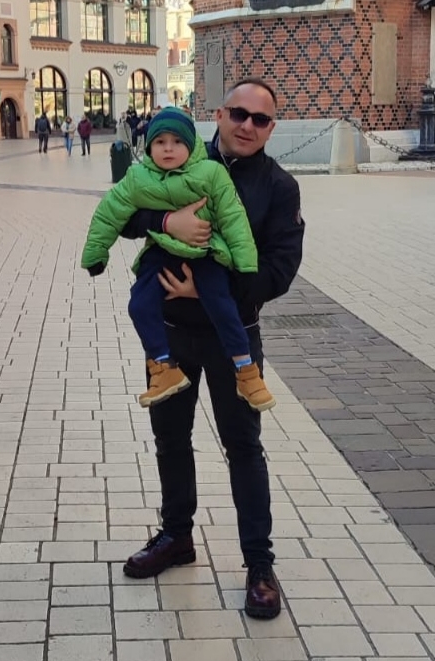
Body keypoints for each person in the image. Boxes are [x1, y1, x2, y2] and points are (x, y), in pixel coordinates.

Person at [117, 78, 305, 620]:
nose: (247, 126)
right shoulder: (176, 156)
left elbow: (280, 269)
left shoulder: (279, 186)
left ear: (271, 127)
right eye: (239, 114)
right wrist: (165, 221)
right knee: (170, 440)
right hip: (171, 334)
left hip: (233, 336)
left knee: (243, 447)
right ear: (219, 115)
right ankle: (176, 536)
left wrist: (209, 290)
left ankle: (259, 564)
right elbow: (123, 212)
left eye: (260, 119)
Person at [81, 107, 275, 412]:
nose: (168, 148)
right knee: (139, 305)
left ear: (191, 145)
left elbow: (233, 218)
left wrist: (246, 265)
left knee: (222, 305)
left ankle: (246, 371)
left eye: (177, 142)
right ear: (149, 147)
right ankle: (163, 367)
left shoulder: (210, 173)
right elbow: (110, 213)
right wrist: (96, 253)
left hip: (205, 251)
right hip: (161, 253)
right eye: (160, 142)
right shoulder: (137, 177)